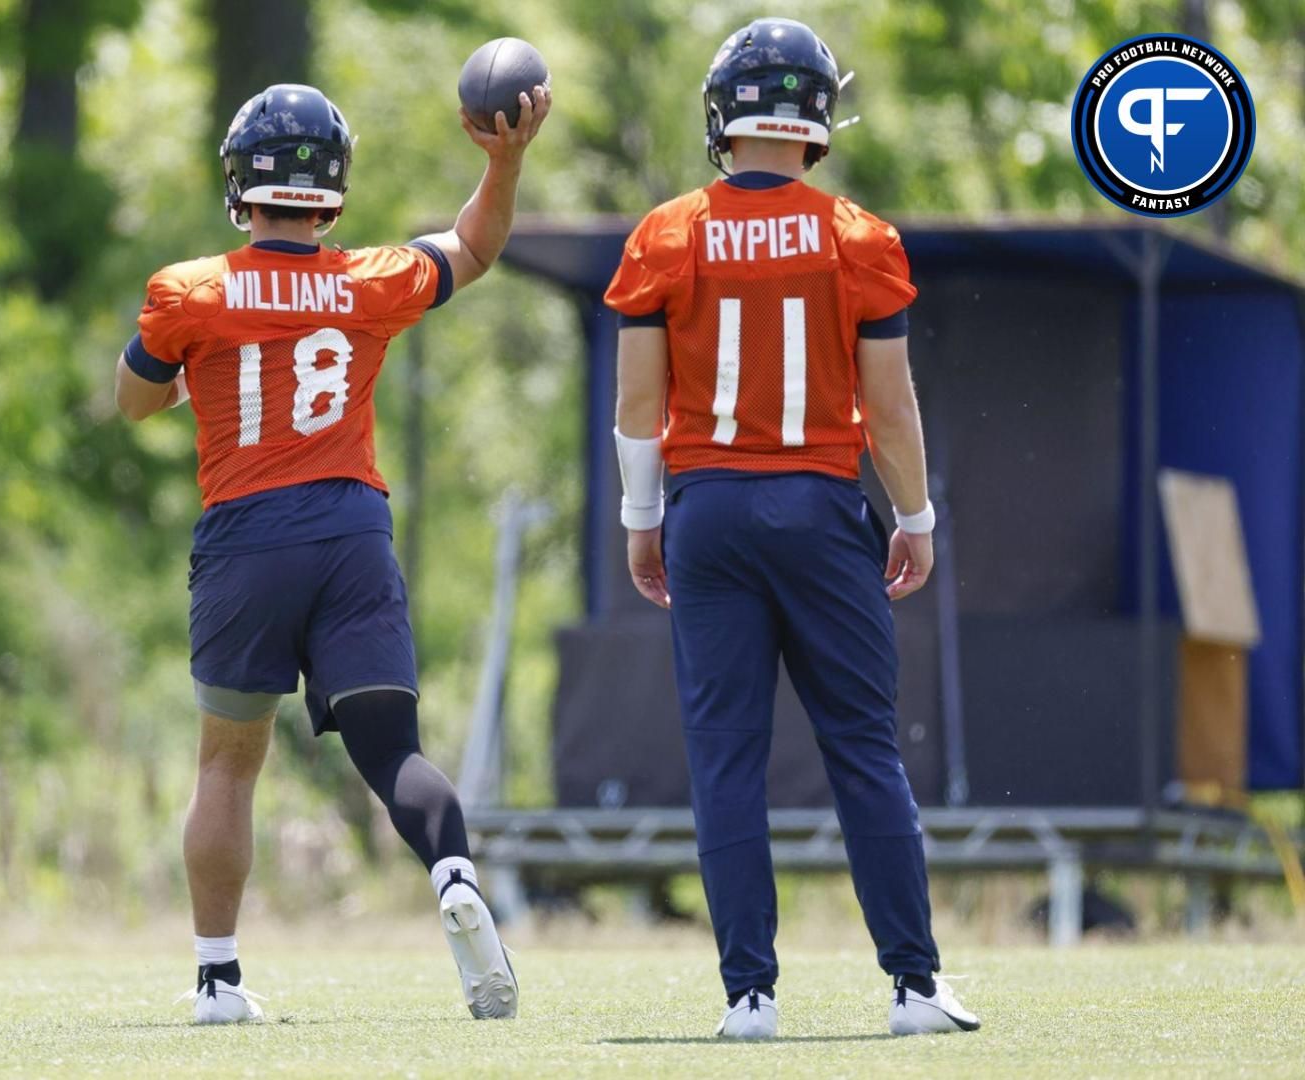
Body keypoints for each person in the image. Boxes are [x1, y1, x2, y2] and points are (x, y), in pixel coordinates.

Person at [115, 80, 550, 1023]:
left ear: (242, 183)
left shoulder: (191, 289)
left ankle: (219, 980)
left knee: (228, 764)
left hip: (247, 538)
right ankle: (452, 873)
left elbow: (134, 400)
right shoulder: (368, 281)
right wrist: (502, 162)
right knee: (392, 747)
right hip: (352, 529)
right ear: (334, 186)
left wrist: (199, 378)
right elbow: (475, 246)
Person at [604, 18, 980, 1040]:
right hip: (818, 508)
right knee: (863, 747)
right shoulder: (858, 236)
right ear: (819, 118)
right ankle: (911, 986)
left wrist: (644, 522)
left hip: (710, 511)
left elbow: (639, 406)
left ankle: (751, 998)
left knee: (726, 755)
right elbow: (892, 409)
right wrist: (917, 515)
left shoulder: (666, 233)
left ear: (724, 117)